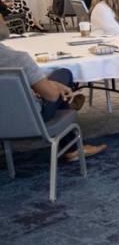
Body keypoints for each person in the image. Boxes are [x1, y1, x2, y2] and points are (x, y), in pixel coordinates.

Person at [0, 15, 106, 160]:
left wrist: (52, 85)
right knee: (64, 74)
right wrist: (55, 87)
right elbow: (51, 96)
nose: (4, 20)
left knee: (57, 79)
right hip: (29, 116)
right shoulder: (18, 59)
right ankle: (72, 147)